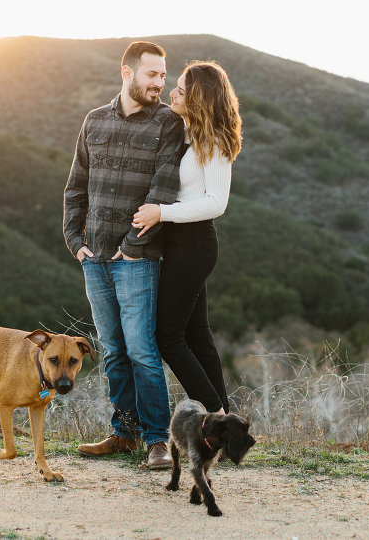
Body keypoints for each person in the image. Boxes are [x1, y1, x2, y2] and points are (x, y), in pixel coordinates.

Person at [63, 41, 185, 469]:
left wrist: (132, 249)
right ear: (127, 73)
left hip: (138, 260)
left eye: (163, 76)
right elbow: (76, 186)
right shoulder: (94, 121)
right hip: (93, 257)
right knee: (112, 350)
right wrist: (73, 239)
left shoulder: (170, 124)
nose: (160, 83)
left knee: (141, 351)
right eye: (152, 75)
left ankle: (158, 442)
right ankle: (124, 434)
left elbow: (164, 189)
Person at [132, 61, 242, 414]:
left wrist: (161, 212)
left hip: (193, 244)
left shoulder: (214, 140)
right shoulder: (187, 133)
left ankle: (216, 416)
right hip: (180, 243)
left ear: (199, 96)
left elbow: (216, 203)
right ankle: (227, 427)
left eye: (181, 87)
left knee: (169, 339)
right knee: (198, 337)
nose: (173, 92)